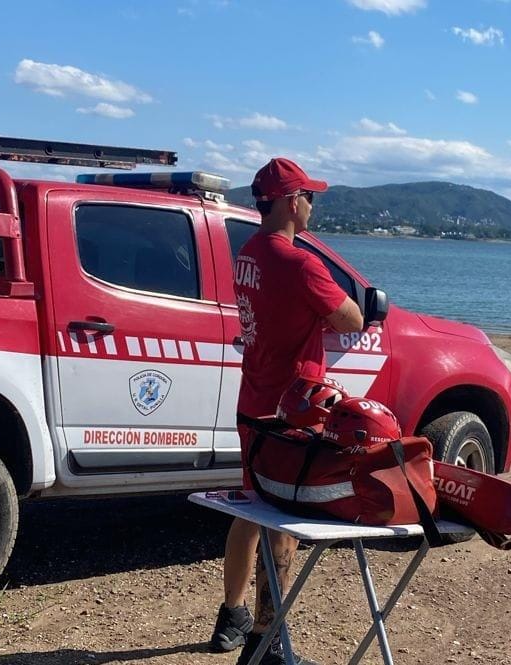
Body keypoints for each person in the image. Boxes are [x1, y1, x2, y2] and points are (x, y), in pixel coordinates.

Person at [210, 157, 363, 665]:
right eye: (309, 197)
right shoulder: (300, 263)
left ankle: (231, 615)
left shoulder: (249, 253)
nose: (312, 206)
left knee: (250, 508)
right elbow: (352, 317)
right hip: (293, 411)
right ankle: (266, 638)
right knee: (283, 523)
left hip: (253, 401)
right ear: (291, 202)